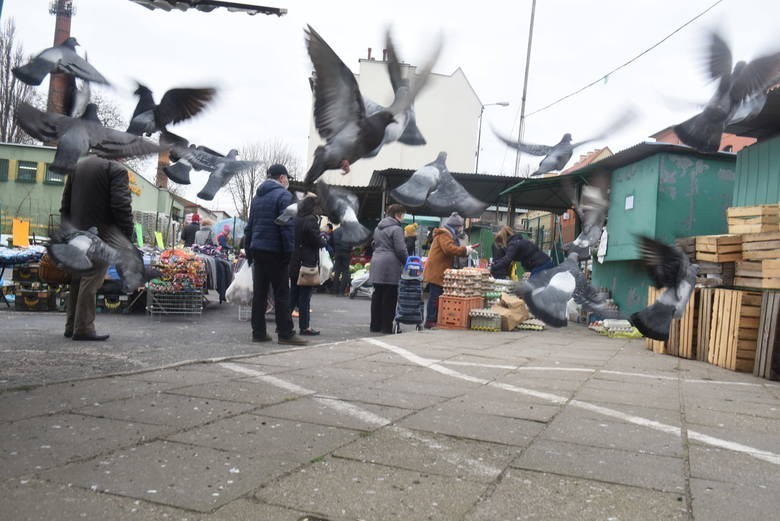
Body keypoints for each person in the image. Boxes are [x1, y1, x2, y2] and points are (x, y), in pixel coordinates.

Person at [60, 156, 135, 341]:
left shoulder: (78, 165)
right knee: (92, 279)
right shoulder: (116, 169)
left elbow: (65, 202)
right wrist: (126, 233)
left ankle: (71, 325)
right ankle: (83, 327)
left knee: (78, 278)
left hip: (76, 233)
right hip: (100, 235)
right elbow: (121, 205)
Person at [244, 164, 307, 346]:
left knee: (260, 294)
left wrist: (249, 251)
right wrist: (289, 252)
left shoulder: (257, 198)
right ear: (282, 178)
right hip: (276, 251)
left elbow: (250, 226)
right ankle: (286, 333)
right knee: (281, 293)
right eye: (287, 177)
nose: (288, 181)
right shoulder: (284, 196)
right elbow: (286, 226)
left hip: (258, 250)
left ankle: (259, 332)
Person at [422, 212, 475, 329]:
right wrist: (465, 250)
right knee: (435, 297)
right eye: (460, 226)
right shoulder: (445, 234)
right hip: (437, 271)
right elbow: (449, 249)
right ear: (456, 226)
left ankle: (433, 319)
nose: (461, 229)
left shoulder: (446, 234)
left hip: (439, 270)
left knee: (436, 296)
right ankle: (430, 320)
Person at [369, 203, 408, 334]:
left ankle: (375, 326)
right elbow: (401, 249)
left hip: (377, 261)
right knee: (389, 296)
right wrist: (407, 261)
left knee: (377, 295)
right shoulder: (396, 229)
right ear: (398, 215)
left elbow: (374, 244)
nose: (403, 217)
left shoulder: (378, 228)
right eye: (403, 214)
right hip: (389, 264)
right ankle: (386, 327)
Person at [289, 196, 326, 336]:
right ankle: (305, 327)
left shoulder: (295, 218)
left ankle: (284, 324)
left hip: (294, 261)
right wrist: (323, 240)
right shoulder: (310, 219)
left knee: (293, 294)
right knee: (304, 296)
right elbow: (315, 238)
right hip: (306, 263)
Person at [490, 232, 554, 280]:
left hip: (542, 264)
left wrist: (493, 267)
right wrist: (496, 263)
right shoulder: (516, 242)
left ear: (503, 240)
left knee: (533, 285)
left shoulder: (513, 244)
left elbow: (507, 259)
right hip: (542, 263)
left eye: (500, 245)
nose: (502, 247)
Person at [331, 224, 352, 296]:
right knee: (345, 272)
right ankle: (341, 291)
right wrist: (350, 249)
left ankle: (334, 290)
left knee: (337, 271)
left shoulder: (335, 231)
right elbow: (351, 243)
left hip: (337, 252)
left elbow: (331, 242)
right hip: (346, 253)